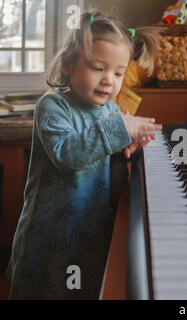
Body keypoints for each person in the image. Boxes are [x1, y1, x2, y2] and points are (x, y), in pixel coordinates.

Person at [6, 12, 162, 299]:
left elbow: (105, 150)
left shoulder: (112, 110)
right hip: (53, 230)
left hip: (94, 226)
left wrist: (128, 148)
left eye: (118, 73)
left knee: (84, 289)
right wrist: (118, 130)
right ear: (68, 63)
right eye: (97, 68)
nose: (109, 81)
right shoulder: (52, 106)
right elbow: (68, 155)